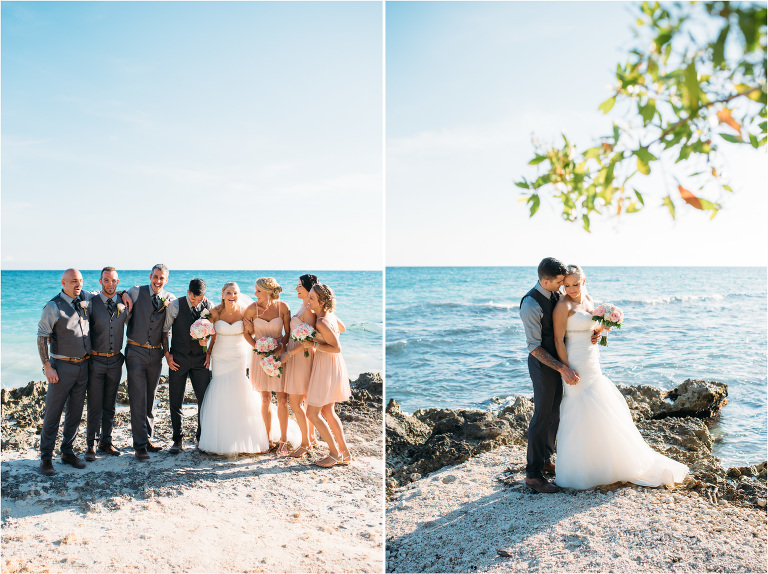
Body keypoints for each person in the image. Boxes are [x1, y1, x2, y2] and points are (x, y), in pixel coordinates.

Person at [552, 265, 688, 489]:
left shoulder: (588, 299)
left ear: (584, 281)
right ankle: (580, 470)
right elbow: (558, 340)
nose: (571, 289)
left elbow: (591, 325)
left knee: (599, 403)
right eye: (567, 285)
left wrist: (598, 331)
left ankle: (607, 463)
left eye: (575, 284)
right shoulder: (562, 306)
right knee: (577, 407)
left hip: (592, 358)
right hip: (575, 361)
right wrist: (566, 369)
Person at [519, 257, 600, 493]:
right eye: (559, 283)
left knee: (555, 413)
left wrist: (592, 333)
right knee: (541, 416)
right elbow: (534, 347)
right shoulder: (531, 305)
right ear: (546, 281)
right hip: (543, 365)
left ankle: (545, 460)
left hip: (563, 362)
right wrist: (562, 368)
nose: (564, 287)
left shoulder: (554, 295)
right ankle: (533, 475)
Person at [198, 283, 299, 455]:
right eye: (228, 292)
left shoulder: (245, 310)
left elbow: (251, 332)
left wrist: (254, 335)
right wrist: (206, 349)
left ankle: (246, 437)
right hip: (220, 356)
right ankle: (220, 439)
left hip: (238, 356)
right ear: (222, 294)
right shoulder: (214, 312)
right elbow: (209, 333)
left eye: (235, 293)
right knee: (219, 391)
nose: (232, 295)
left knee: (239, 391)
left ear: (239, 294)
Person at [36, 268, 91, 475]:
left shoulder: (84, 300)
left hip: (83, 366)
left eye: (81, 281)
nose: (78, 285)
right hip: (61, 368)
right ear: (63, 282)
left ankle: (67, 451)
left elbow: (105, 292)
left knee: (75, 413)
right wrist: (47, 366)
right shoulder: (53, 306)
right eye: (74, 281)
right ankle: (46, 458)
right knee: (53, 413)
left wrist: (123, 294)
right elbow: (42, 336)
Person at [296, 284, 351, 468]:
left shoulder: (321, 321)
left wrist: (312, 344)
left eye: (311, 298)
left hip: (326, 365)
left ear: (322, 301)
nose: (308, 300)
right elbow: (341, 328)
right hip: (332, 364)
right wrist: (320, 336)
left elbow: (336, 347)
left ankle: (334, 454)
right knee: (328, 411)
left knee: (312, 413)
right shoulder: (328, 316)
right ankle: (345, 453)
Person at [125, 264, 175, 461]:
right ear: (150, 276)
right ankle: (139, 446)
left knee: (150, 397)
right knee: (137, 398)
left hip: (156, 355)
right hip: (135, 351)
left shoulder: (170, 299)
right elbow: (120, 297)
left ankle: (147, 438)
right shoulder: (136, 292)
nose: (158, 281)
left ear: (166, 280)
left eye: (162, 278)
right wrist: (122, 292)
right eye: (155, 277)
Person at [84, 267, 130, 461]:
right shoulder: (91, 303)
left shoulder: (124, 303)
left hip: (116, 360)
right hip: (96, 360)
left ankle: (106, 441)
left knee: (110, 404)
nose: (110, 284)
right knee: (95, 404)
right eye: (106, 280)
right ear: (100, 281)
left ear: (118, 283)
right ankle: (91, 445)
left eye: (114, 281)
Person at [162, 278, 213, 453]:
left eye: (200, 299)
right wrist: (167, 355)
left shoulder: (209, 306)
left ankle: (201, 438)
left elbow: (213, 332)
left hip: (200, 361)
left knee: (204, 400)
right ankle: (178, 439)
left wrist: (208, 352)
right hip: (178, 360)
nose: (196, 302)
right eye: (193, 299)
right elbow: (164, 331)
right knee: (175, 400)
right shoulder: (175, 305)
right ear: (188, 292)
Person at [243, 277, 292, 454]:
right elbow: (246, 334)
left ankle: (284, 440)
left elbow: (288, 333)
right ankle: (267, 438)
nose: (255, 294)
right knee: (265, 399)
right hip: (261, 356)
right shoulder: (251, 309)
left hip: (279, 355)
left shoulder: (283, 307)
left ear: (268, 292)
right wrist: (258, 347)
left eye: (258, 291)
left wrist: (280, 347)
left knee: (282, 400)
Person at [282, 274, 319, 457]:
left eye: (299, 286)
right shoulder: (304, 307)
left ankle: (305, 443)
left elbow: (308, 341)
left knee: (295, 402)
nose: (296, 289)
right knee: (301, 401)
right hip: (297, 357)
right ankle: (310, 438)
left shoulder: (310, 311)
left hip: (302, 358)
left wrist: (289, 353)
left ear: (308, 288)